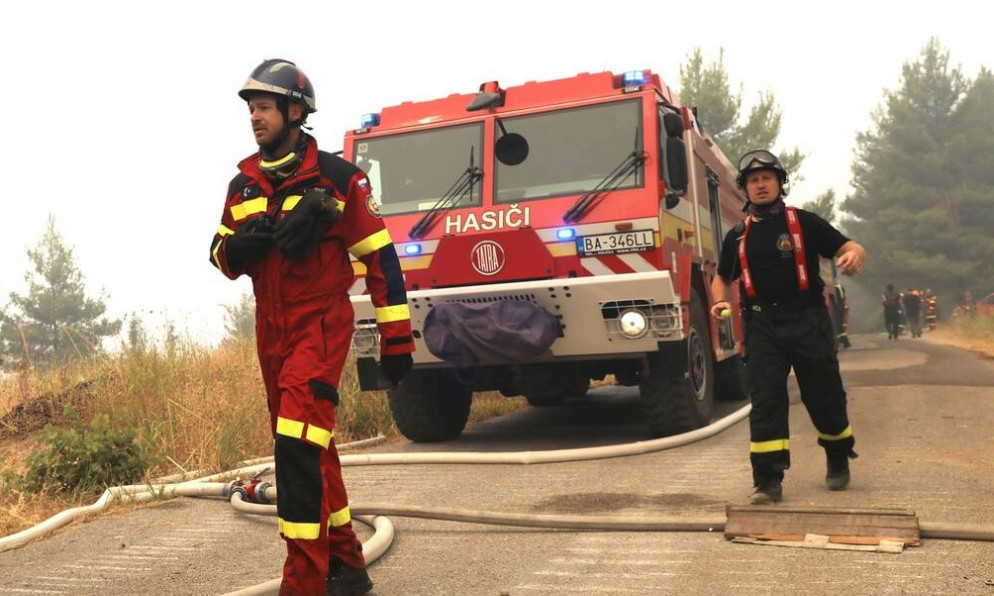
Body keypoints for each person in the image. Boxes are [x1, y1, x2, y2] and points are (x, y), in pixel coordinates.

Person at [209, 59, 414, 596]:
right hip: (270, 332)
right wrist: (240, 246)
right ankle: (346, 564)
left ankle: (303, 582)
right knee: (312, 445)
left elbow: (381, 261)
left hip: (319, 325)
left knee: (296, 448)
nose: (255, 117)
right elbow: (219, 253)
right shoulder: (242, 186)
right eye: (251, 109)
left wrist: (396, 341)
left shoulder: (339, 180)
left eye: (265, 107)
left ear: (295, 111)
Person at [709, 149, 866, 505]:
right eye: (753, 180)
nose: (761, 185)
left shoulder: (805, 223)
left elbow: (851, 246)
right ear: (745, 189)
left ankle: (838, 456)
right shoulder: (738, 235)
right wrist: (719, 301)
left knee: (824, 395)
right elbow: (722, 277)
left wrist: (854, 256)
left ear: (780, 183)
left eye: (767, 178)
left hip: (808, 320)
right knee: (766, 401)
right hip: (762, 326)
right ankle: (767, 480)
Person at [833, 281, 852, 348]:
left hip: (838, 306)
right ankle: (843, 341)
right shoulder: (839, 287)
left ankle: (843, 342)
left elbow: (840, 298)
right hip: (841, 306)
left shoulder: (836, 288)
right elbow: (844, 297)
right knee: (841, 324)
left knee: (838, 324)